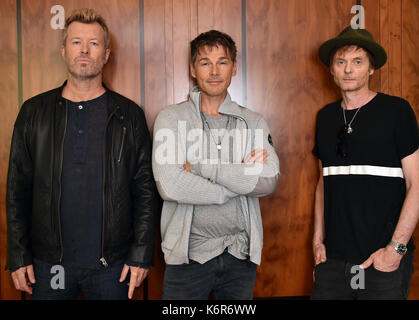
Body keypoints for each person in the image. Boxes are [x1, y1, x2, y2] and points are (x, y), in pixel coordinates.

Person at [6, 8, 156, 300]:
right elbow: (16, 190)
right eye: (76, 42)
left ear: (107, 54)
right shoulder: (34, 112)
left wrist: (140, 253)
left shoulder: (129, 114)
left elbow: (145, 191)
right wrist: (17, 253)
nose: (84, 50)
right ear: (63, 50)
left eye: (94, 43)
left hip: (113, 266)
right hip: (49, 265)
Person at [152, 30, 280, 300]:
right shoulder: (171, 119)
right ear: (192, 68)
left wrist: (199, 168)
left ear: (234, 68)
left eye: (222, 62)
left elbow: (268, 180)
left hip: (240, 257)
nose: (214, 71)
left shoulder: (253, 121)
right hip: (186, 259)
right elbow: (170, 186)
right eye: (204, 62)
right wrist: (236, 184)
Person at [311, 26, 419, 299]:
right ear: (332, 69)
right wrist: (316, 241)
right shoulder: (325, 118)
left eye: (357, 62)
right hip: (333, 262)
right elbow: (322, 183)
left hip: (381, 259)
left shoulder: (396, 112)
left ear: (371, 68)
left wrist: (396, 249)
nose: (348, 69)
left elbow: (417, 184)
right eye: (341, 62)